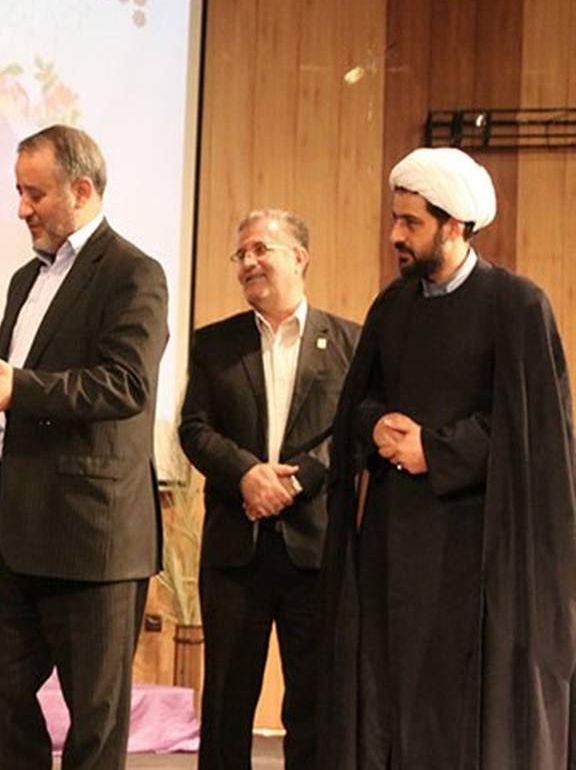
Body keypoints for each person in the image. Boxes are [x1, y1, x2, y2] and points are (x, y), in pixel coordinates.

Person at [0, 124, 169, 769]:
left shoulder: (134, 273)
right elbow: (9, 396)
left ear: (81, 190)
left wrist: (15, 387)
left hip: (93, 538)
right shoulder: (26, 279)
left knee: (95, 720)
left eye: (34, 193)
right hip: (14, 533)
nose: (21, 208)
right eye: (18, 191)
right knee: (0, 704)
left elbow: (125, 384)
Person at [318, 147, 576, 769]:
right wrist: (376, 424)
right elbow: (358, 401)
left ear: (454, 226)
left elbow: (534, 430)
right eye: (395, 219)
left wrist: (434, 450)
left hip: (475, 549)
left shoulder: (516, 304)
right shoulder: (393, 305)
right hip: (393, 547)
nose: (394, 235)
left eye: (410, 222)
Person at [179, 209, 359, 770]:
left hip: (315, 551)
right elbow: (194, 429)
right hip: (236, 549)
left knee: (312, 703)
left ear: (299, 258)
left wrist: (297, 480)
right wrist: (246, 475)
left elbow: (355, 431)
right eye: (241, 254)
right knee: (226, 705)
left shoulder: (350, 342)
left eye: (261, 249)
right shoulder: (214, 344)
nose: (248, 262)